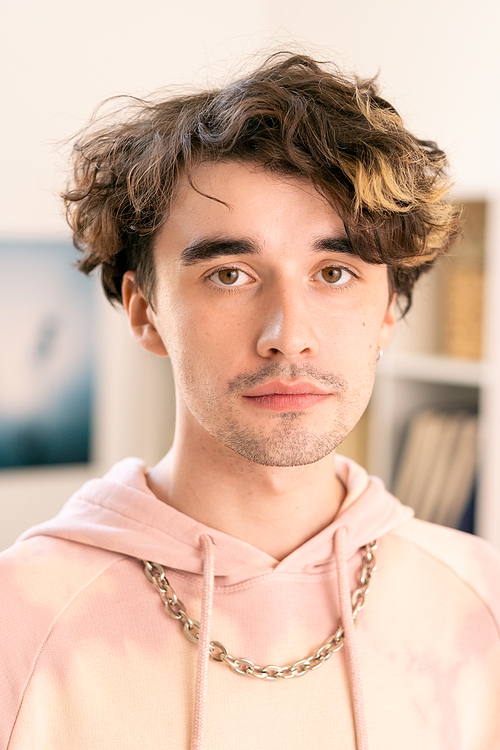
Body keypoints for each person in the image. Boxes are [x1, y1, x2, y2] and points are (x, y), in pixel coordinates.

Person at [1, 52, 499, 750]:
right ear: (145, 314)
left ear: (389, 310)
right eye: (230, 274)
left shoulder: (480, 601)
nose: (288, 336)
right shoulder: (18, 616)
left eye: (334, 272)